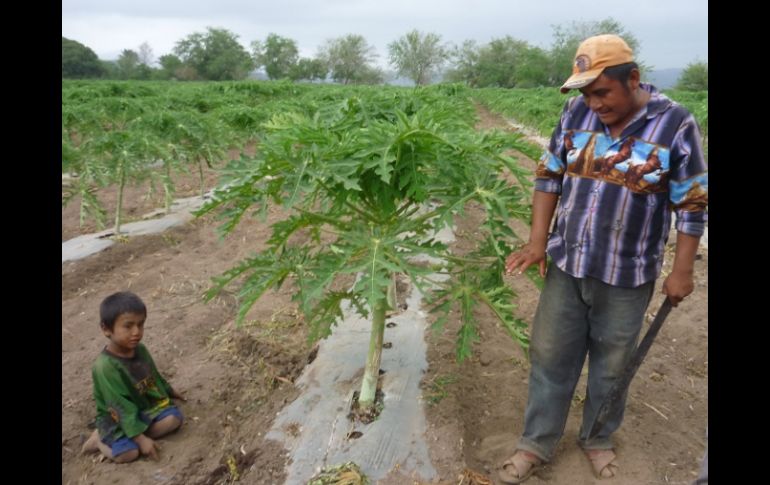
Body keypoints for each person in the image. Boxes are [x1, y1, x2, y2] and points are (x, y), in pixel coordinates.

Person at [497, 34, 707, 483]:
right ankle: (536, 442)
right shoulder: (575, 114)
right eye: (586, 94)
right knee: (550, 355)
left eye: (601, 92)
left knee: (613, 363)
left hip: (628, 274)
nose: (593, 103)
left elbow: (691, 203)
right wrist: (538, 242)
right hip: (568, 264)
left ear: (632, 79)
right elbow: (548, 176)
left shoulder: (675, 124)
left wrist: (682, 271)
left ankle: (596, 438)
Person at [81, 291, 186, 463]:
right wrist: (141, 440)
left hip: (142, 407)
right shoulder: (105, 367)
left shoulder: (140, 350)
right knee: (128, 454)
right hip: (116, 418)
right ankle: (100, 439)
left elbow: (153, 375)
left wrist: (169, 390)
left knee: (174, 419)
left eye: (141, 324)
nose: (136, 332)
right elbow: (119, 406)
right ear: (106, 329)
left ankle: (133, 435)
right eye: (128, 326)